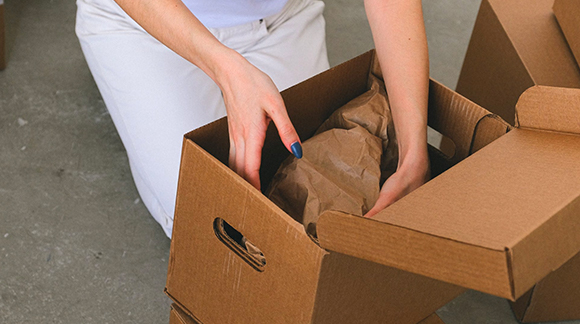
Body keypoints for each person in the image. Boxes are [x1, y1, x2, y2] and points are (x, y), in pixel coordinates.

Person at [76, 0, 429, 238]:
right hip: (144, 20)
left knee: (313, 204)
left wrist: (414, 151)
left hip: (279, 19)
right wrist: (226, 69)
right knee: (205, 218)